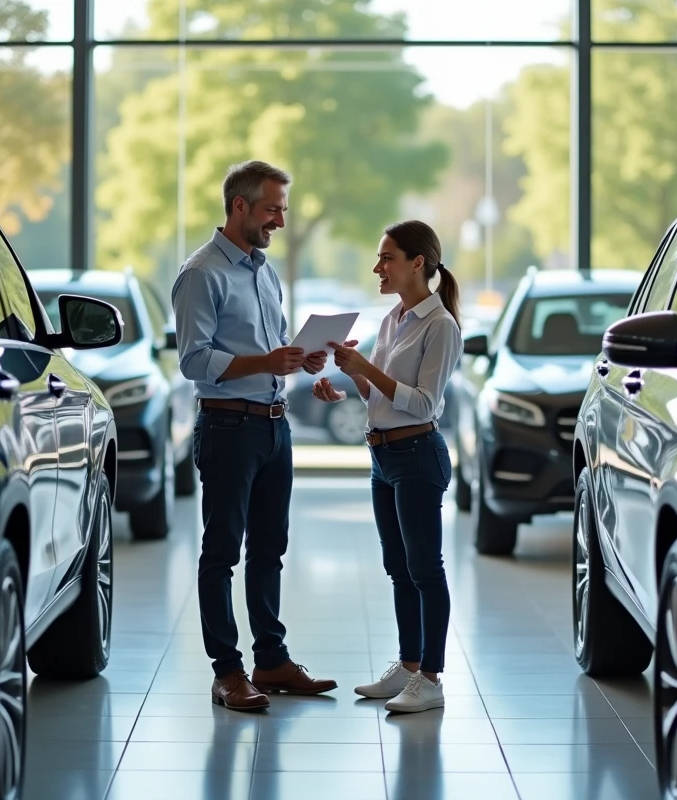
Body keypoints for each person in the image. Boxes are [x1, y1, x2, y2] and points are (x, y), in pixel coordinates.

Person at [172, 160, 337, 711]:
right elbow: (193, 361)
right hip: (227, 429)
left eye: (283, 211)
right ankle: (227, 672)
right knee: (221, 553)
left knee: (270, 549)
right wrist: (266, 359)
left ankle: (272, 659)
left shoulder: (263, 271)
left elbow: (273, 344)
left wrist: (300, 359)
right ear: (239, 206)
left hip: (273, 426)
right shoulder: (201, 273)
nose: (280, 222)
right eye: (272, 210)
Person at [314, 220, 463, 714]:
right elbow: (379, 394)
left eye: (387, 258)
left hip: (417, 455)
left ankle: (433, 678)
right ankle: (409, 665)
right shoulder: (391, 320)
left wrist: (366, 370)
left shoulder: (440, 326)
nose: (378, 267)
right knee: (398, 568)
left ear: (417, 263)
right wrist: (345, 378)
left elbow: (423, 405)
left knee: (425, 569)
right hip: (382, 456)